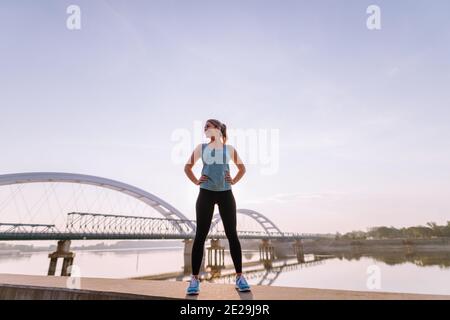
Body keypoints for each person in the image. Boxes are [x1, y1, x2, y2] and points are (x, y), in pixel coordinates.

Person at [183, 119, 251, 295]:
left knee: (232, 234)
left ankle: (239, 277)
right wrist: (196, 180)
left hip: (226, 194)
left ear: (219, 130)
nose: (205, 128)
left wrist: (233, 180)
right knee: (200, 235)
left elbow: (242, 168)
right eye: (204, 127)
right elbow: (187, 167)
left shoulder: (229, 149)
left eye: (209, 126)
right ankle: (195, 279)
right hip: (205, 193)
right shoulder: (202, 148)